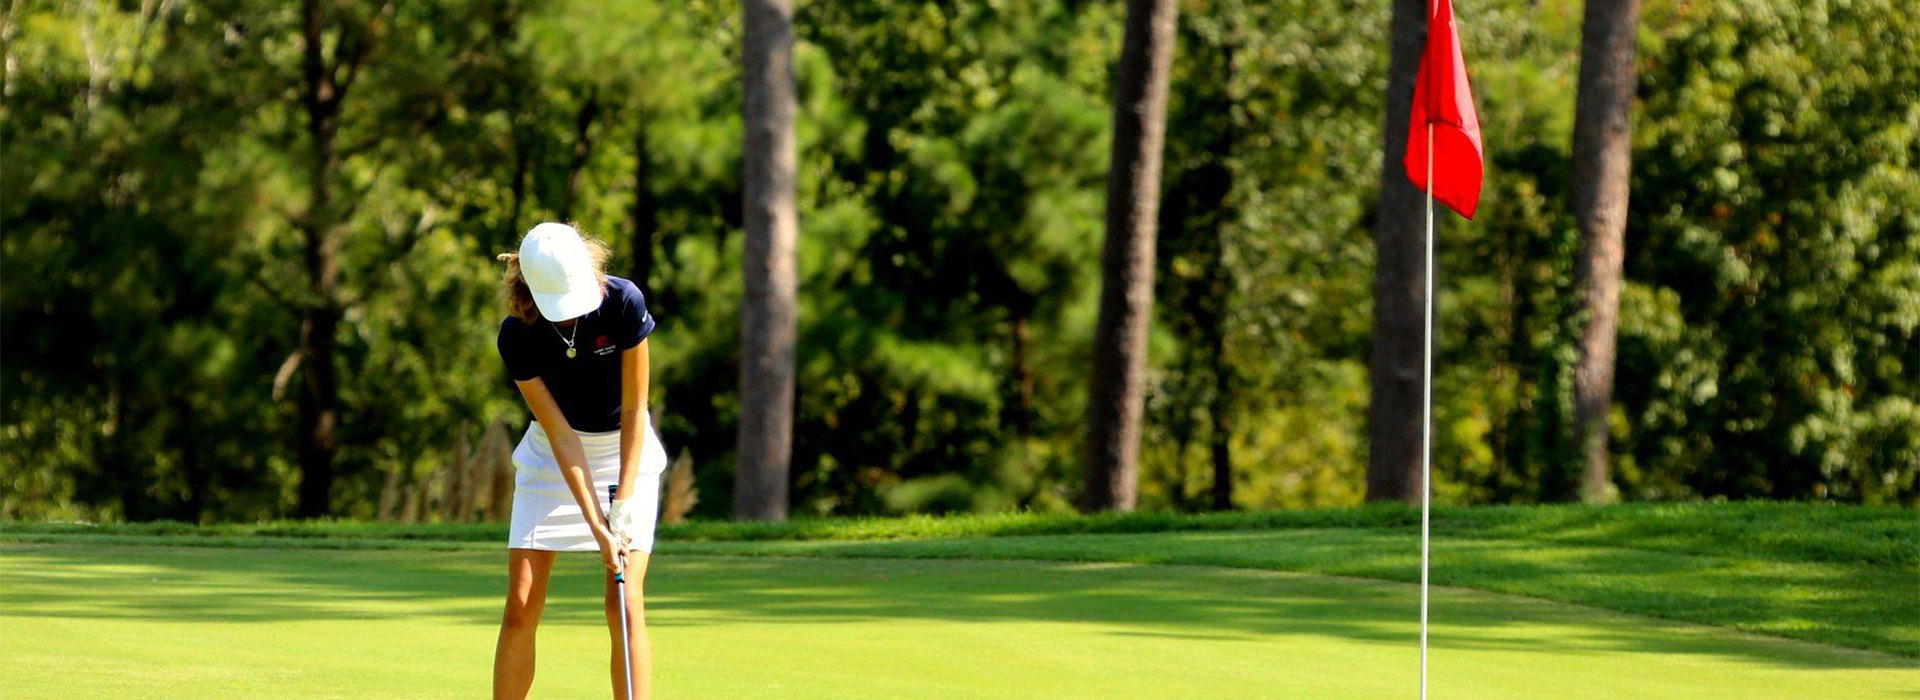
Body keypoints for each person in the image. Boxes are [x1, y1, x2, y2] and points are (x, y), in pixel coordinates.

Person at [491, 222, 665, 700]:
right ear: (527, 287)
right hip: (554, 455)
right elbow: (562, 435)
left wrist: (624, 501)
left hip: (626, 451)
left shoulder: (624, 302)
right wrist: (598, 526)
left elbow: (635, 408)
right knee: (521, 604)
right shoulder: (517, 336)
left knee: (623, 602)